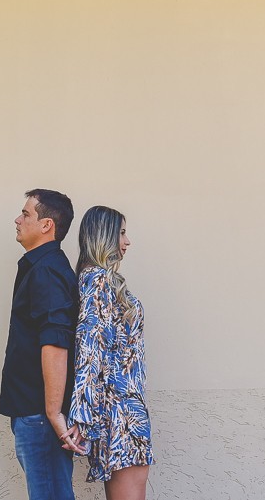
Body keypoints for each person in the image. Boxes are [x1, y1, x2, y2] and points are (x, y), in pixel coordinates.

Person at [67, 205, 154, 500]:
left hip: (125, 406)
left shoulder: (101, 280)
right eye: (121, 233)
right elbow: (89, 348)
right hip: (119, 411)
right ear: (103, 235)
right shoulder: (98, 280)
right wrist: (81, 417)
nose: (127, 242)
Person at [0, 188, 80, 500]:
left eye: (26, 214)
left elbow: (56, 343)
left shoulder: (47, 271)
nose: (17, 220)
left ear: (47, 225)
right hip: (34, 412)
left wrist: (53, 413)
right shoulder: (41, 267)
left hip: (40, 414)